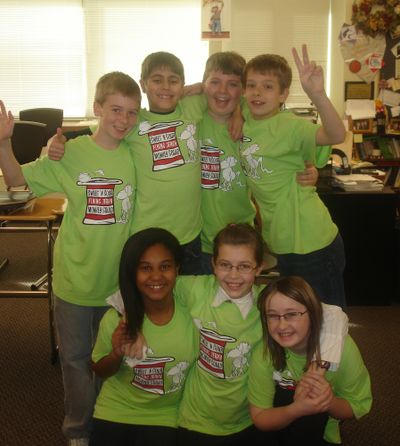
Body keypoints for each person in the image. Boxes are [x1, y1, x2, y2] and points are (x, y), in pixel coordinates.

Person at [0, 71, 141, 446]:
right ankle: (79, 429)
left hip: (119, 285)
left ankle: (109, 422)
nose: (123, 120)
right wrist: (4, 144)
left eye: (131, 112)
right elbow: (18, 185)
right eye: (115, 109)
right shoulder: (70, 153)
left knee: (115, 360)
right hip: (75, 282)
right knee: (77, 362)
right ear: (96, 108)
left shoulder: (137, 153)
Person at [172, 223, 348, 445]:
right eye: (225, 265)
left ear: (259, 268)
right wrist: (131, 318)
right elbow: (151, 285)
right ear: (213, 265)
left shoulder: (269, 302)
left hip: (248, 418)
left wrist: (320, 365)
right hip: (195, 419)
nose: (234, 275)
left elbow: (333, 315)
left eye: (244, 266)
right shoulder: (196, 289)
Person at [48, 51, 210, 274]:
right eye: (157, 80)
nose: (165, 87)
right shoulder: (132, 120)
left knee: (189, 300)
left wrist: (199, 87)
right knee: (149, 299)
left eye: (173, 81)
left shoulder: (192, 107)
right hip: (146, 233)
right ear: (143, 85)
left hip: (189, 234)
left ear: (182, 84)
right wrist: (57, 141)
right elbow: (95, 131)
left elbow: (222, 91)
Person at [239, 45, 347, 309]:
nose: (257, 92)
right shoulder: (245, 117)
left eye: (268, 86)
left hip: (312, 242)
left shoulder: (292, 126)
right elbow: (214, 91)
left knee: (325, 322)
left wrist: (318, 95)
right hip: (282, 243)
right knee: (297, 318)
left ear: (283, 94)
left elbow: (335, 135)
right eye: (251, 85)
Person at [199, 51, 320, 274]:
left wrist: (310, 169)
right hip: (201, 237)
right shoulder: (195, 117)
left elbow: (290, 154)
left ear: (242, 91)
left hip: (242, 232)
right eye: (215, 82)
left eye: (234, 84)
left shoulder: (255, 123)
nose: (223, 90)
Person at [89, 228, 198, 445]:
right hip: (115, 410)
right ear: (132, 273)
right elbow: (99, 370)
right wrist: (116, 352)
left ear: (177, 269)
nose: (156, 276)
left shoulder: (193, 312)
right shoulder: (116, 319)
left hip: (165, 415)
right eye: (145, 268)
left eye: (165, 266)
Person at [248, 276, 372, 445]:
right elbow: (260, 418)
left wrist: (327, 402)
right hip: (280, 415)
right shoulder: (265, 352)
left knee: (312, 397)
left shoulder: (343, 350)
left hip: (318, 425)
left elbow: (355, 407)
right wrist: (296, 409)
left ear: (312, 314)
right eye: (273, 316)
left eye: (292, 314)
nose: (282, 326)